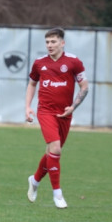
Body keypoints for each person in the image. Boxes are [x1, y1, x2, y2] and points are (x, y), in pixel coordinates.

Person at [25, 28, 89, 209]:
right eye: (47, 42)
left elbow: (84, 87)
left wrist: (73, 107)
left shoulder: (73, 62)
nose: (49, 45)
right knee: (55, 149)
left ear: (62, 43)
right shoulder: (39, 63)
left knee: (52, 153)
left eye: (53, 42)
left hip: (65, 114)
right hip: (45, 112)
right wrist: (28, 107)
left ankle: (35, 180)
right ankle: (57, 193)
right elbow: (32, 84)